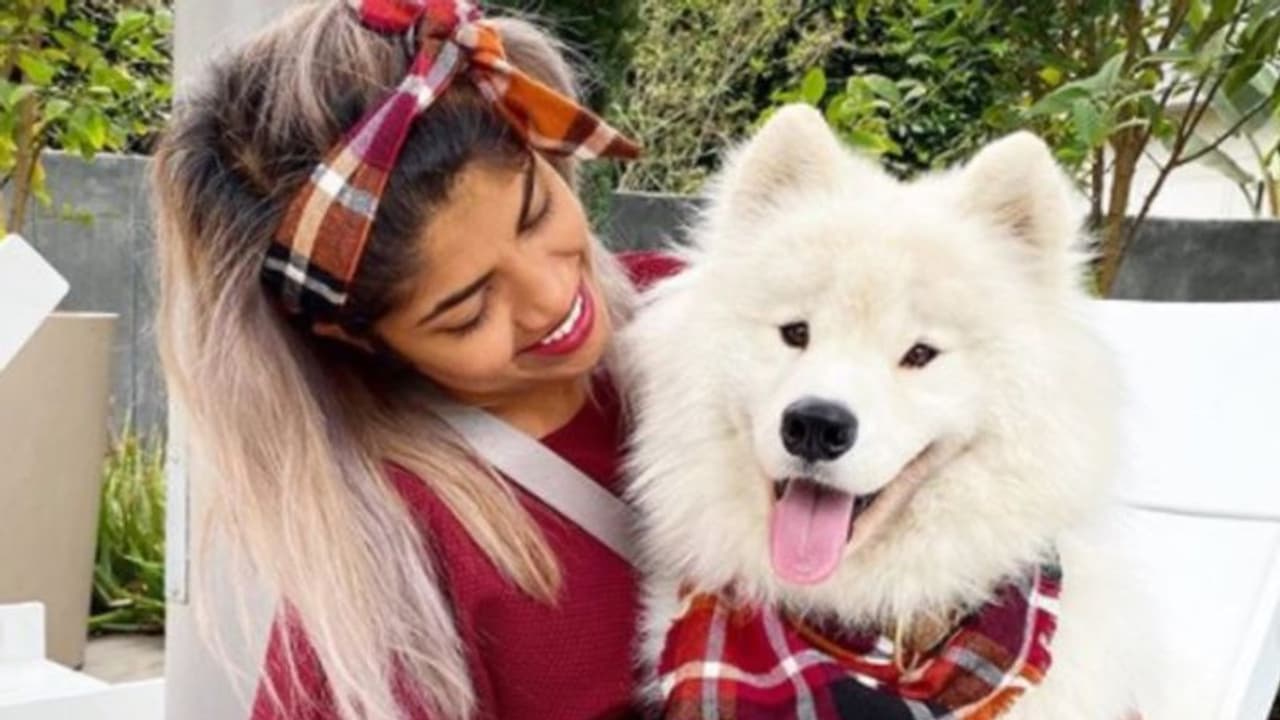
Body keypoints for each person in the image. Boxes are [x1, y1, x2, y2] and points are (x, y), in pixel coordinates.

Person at [150, 1, 680, 717]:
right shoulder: (398, 564)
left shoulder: (715, 319)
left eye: (535, 212)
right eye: (468, 310)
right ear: (355, 337)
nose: (551, 297)